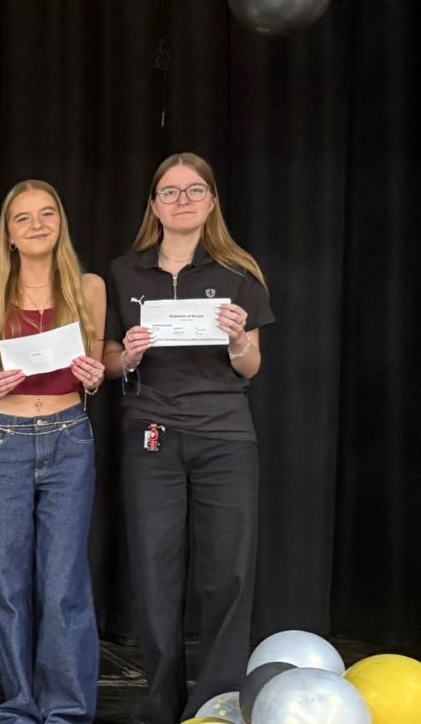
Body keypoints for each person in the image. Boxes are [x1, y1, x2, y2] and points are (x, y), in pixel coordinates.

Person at [101, 152, 272, 724]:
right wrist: (127, 356)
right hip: (151, 433)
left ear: (212, 201)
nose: (182, 200)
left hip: (225, 435)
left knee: (229, 573)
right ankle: (160, 703)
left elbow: (251, 366)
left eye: (194, 190)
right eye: (170, 192)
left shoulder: (239, 272)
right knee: (156, 571)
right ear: (153, 205)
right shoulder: (123, 273)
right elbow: (106, 361)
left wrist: (238, 340)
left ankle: (216, 706)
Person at [0, 180, 107, 724]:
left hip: (69, 435)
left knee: (63, 584)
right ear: (8, 233)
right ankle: (19, 708)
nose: (36, 225)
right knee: (9, 586)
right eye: (23, 218)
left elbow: (94, 367)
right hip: (4, 439)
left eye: (46, 214)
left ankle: (67, 710)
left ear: (60, 223)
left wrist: (94, 377)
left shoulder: (88, 288)